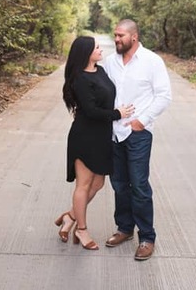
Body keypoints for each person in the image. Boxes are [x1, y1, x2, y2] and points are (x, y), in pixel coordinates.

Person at [55, 36, 134, 250]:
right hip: (85, 137)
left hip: (101, 137)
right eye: (96, 47)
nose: (100, 49)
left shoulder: (99, 71)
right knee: (84, 184)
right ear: (85, 52)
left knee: (98, 183)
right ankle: (81, 229)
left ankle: (70, 216)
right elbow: (90, 111)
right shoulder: (80, 78)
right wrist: (118, 113)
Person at [103, 19, 172, 261]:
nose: (116, 39)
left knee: (139, 185)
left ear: (134, 36)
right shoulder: (110, 62)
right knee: (119, 184)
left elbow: (164, 96)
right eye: (115, 35)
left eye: (120, 35)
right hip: (114, 133)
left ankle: (147, 237)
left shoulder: (152, 61)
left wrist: (142, 120)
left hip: (139, 133)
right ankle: (124, 228)